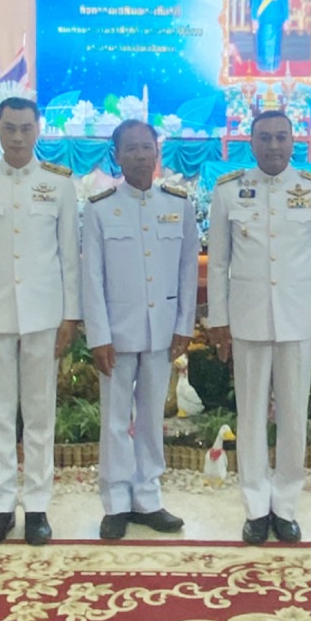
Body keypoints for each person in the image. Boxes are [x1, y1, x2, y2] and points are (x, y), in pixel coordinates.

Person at [207, 108, 311, 544]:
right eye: (264, 137)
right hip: (248, 318)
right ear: (251, 142)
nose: (274, 145)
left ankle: (285, 505)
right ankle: (255, 507)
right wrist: (219, 319)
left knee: (294, 416)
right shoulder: (228, 190)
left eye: (281, 137)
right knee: (249, 417)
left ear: (293, 141)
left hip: (298, 319)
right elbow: (219, 262)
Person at [0, 96, 80, 548]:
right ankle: (2, 505)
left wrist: (70, 314)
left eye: (26, 128)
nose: (18, 137)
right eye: (10, 128)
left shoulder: (58, 184)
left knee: (41, 411)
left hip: (44, 313)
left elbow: (70, 256)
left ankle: (38, 506)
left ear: (38, 129)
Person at [82, 120, 199, 540]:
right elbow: (91, 277)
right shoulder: (100, 208)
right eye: (130, 148)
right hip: (116, 332)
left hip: (162, 330)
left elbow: (187, 270)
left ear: (156, 152)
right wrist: (98, 334)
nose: (139, 155)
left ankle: (148, 497)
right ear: (117, 156)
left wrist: (184, 325)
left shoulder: (179, 205)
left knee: (151, 417)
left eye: (145, 147)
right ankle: (116, 501)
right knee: (115, 418)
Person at [250, 0, 289, 74]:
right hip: (263, 23)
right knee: (263, 45)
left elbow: (285, 6)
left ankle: (273, 67)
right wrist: (254, 19)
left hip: (277, 23)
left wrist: (286, 20)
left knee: (276, 45)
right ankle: (263, 67)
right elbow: (254, 5)